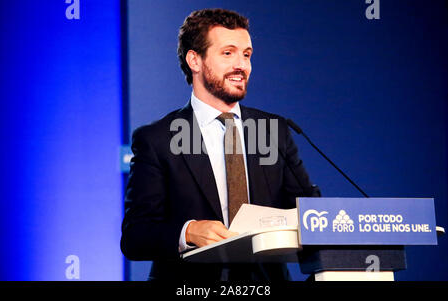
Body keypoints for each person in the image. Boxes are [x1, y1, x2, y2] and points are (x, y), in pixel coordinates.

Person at [120, 8, 320, 281]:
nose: (242, 65)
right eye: (228, 53)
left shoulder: (274, 131)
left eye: (246, 54)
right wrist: (188, 231)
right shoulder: (157, 140)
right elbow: (135, 236)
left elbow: (309, 213)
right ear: (195, 60)